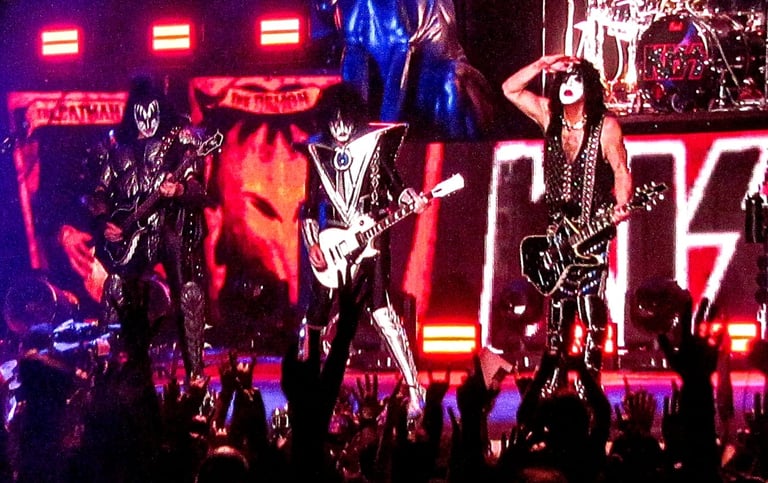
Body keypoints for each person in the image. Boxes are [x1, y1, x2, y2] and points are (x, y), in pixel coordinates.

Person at [294, 82, 427, 417]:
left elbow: (395, 184)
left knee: (382, 311)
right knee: (317, 313)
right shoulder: (318, 152)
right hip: (332, 242)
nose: (339, 130)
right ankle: (308, 385)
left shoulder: (373, 146)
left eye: (345, 122)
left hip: (372, 238)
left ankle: (414, 388)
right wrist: (312, 244)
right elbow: (308, 207)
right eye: (334, 122)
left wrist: (410, 197)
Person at [502, 55, 633, 393]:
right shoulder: (550, 116)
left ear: (589, 88)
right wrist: (541, 64)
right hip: (558, 234)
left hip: (593, 230)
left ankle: (589, 387)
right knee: (558, 315)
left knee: (591, 313)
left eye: (577, 80)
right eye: (565, 80)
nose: (569, 85)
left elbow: (620, 169)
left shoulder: (605, 127)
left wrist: (622, 205)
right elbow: (510, 89)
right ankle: (554, 384)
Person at [87, 75, 213, 382]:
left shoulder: (182, 139)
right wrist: (105, 222)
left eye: (152, 111)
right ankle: (112, 371)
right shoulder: (116, 147)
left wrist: (179, 189)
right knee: (116, 289)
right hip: (132, 234)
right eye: (140, 112)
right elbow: (98, 192)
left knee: (189, 293)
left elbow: (200, 190)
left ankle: (195, 375)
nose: (146, 121)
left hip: (172, 226)